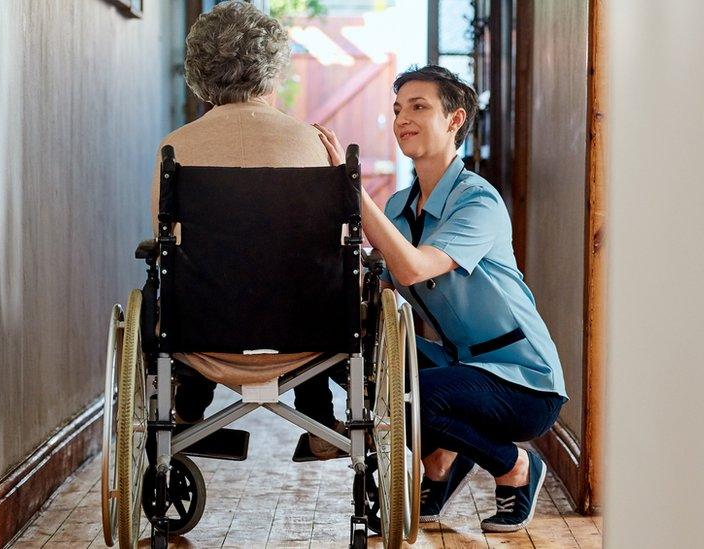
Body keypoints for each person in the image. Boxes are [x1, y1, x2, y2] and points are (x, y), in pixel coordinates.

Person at [316, 65, 568, 532]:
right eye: (397, 109)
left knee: (410, 394)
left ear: (455, 120)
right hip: (462, 368)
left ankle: (514, 466)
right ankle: (440, 461)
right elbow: (388, 292)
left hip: (523, 381)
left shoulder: (479, 202)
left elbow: (412, 266)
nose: (402, 119)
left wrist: (350, 187)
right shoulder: (398, 207)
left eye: (418, 107)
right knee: (355, 359)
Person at [150, 0, 345, 459]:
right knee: (311, 278)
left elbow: (168, 241)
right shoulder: (313, 144)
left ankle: (188, 414)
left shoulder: (175, 149)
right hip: (306, 332)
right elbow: (330, 246)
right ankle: (319, 422)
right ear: (273, 68)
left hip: (202, 332)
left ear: (200, 69)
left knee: (191, 275)